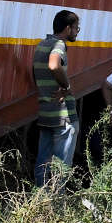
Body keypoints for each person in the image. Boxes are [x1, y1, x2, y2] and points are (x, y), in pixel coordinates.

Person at [32, 10, 80, 186]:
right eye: (76, 28)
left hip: (45, 113)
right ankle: (56, 205)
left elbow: (35, 75)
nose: (77, 31)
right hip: (62, 115)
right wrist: (66, 87)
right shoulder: (59, 44)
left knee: (43, 161)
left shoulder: (41, 45)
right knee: (61, 165)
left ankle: (40, 202)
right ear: (67, 28)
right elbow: (54, 64)